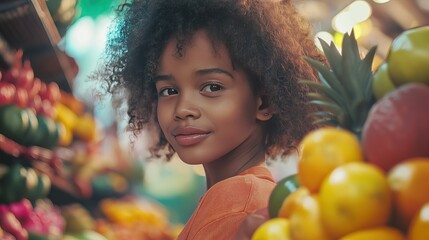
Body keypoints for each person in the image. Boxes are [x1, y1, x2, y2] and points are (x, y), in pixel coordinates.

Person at [94, 0, 324, 239]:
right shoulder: (231, 198)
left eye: (212, 87)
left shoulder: (238, 206)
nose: (182, 109)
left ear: (264, 102)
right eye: (168, 91)